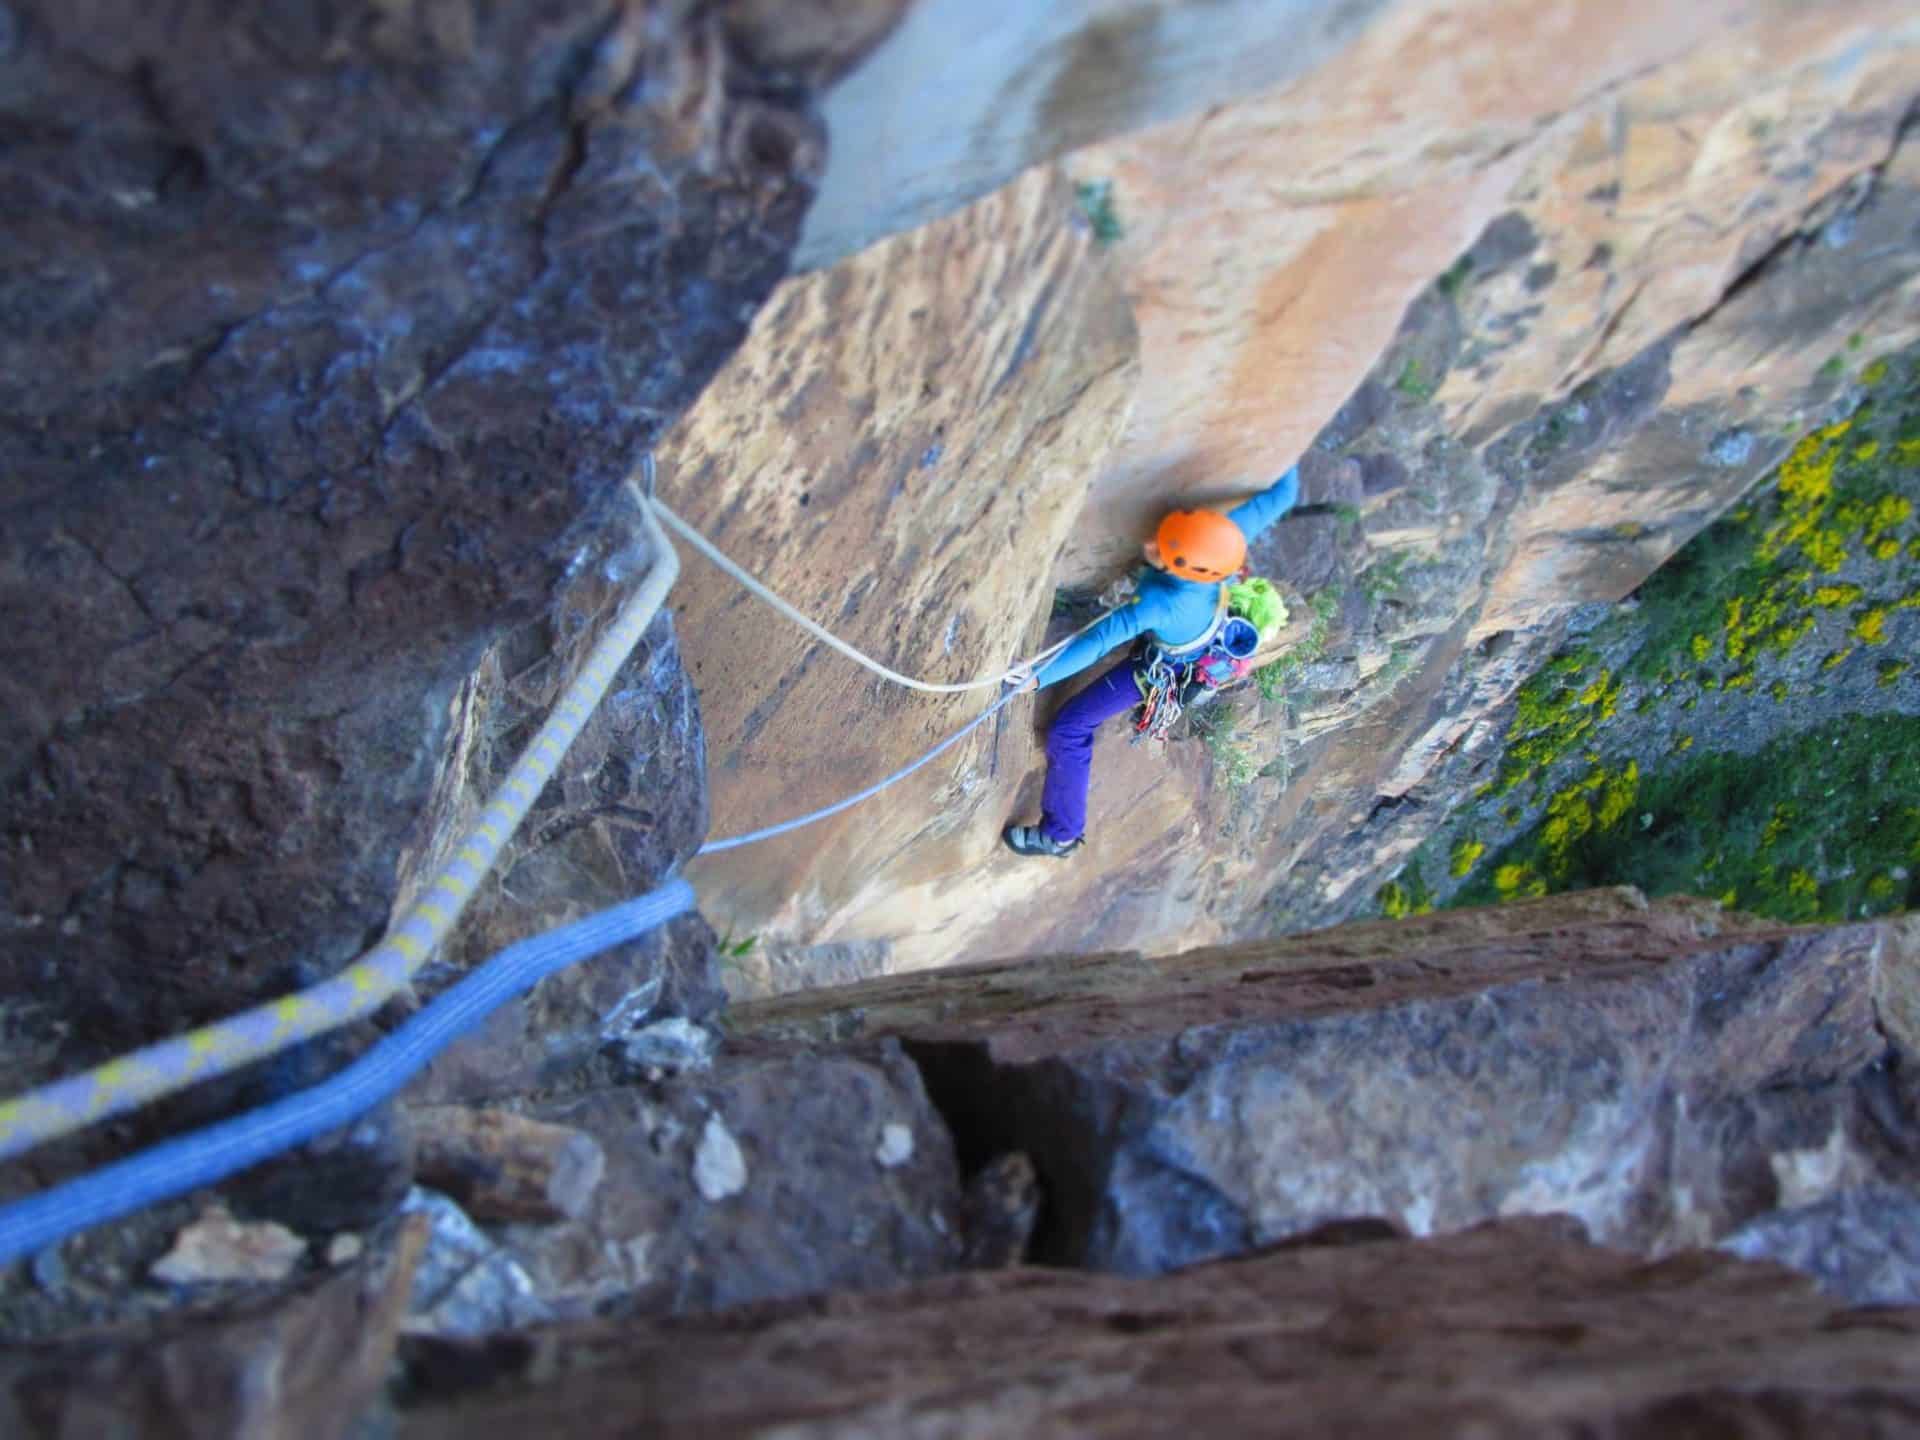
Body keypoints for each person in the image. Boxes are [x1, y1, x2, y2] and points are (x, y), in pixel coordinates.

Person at [1002, 464, 1301, 858]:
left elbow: (1099, 640)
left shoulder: (1161, 604)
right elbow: (1283, 495)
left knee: (1069, 729)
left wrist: (1038, 678)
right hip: (1207, 624)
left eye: (1161, 549)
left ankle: (1061, 834)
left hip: (1165, 668)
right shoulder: (1219, 540)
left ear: (1177, 565)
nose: (1150, 543)